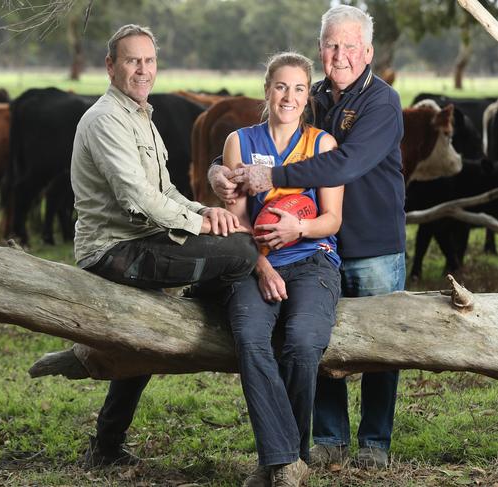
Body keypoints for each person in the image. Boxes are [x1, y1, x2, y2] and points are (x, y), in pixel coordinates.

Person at [209, 4, 405, 471]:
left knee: (384, 347)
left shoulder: (382, 101)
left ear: (368, 51)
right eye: (332, 45)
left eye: (350, 46)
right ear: (321, 48)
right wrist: (222, 171)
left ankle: (374, 440)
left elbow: (343, 165)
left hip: (372, 242)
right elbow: (275, 131)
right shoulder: (312, 95)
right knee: (318, 342)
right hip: (320, 248)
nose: (341, 55)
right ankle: (331, 436)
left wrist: (269, 175)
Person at [70, 24, 258, 469]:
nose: (143, 69)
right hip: (112, 250)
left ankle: (107, 446)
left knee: (145, 342)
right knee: (243, 254)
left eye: (149, 60)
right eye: (132, 60)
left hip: (142, 239)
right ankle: (198, 312)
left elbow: (164, 190)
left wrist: (205, 211)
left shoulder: (140, 116)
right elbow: (136, 198)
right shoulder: (105, 120)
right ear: (110, 66)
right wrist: (200, 224)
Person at [224, 52, 342, 487]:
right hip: (255, 265)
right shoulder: (240, 141)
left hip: (313, 261)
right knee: (251, 340)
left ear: (307, 96)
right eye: (280, 87)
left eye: (298, 89)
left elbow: (333, 219)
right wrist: (259, 266)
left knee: (303, 343)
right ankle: (287, 461)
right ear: (267, 90)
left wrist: (299, 227)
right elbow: (236, 221)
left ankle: (277, 459)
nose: (288, 97)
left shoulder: (322, 145)